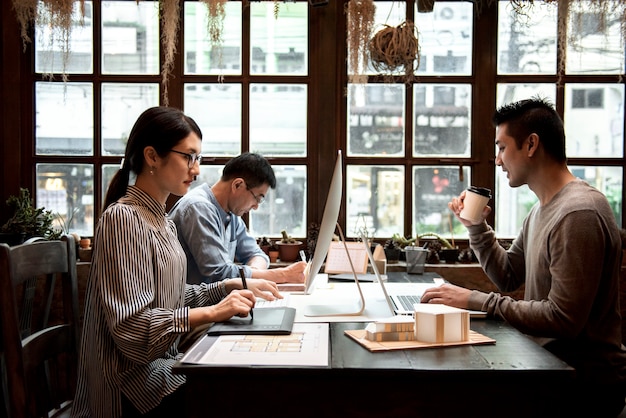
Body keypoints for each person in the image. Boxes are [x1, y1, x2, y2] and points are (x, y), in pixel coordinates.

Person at [421, 97, 626, 417]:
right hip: (551, 369)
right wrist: (477, 227)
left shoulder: (579, 213)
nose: (498, 160)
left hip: (584, 386)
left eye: (502, 147)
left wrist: (474, 299)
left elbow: (564, 319)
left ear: (531, 144)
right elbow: (508, 276)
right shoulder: (542, 209)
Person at [71, 107, 282, 418]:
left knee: (245, 378)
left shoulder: (162, 221)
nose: (196, 170)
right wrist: (212, 310)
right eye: (189, 157)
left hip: (161, 367)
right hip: (128, 388)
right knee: (246, 393)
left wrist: (227, 287)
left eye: (197, 159)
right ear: (152, 156)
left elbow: (169, 297)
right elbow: (132, 332)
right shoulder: (123, 218)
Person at [169, 152, 307, 285]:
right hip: (189, 307)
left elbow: (255, 253)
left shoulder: (231, 215)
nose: (255, 207)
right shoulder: (198, 208)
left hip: (215, 305)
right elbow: (219, 273)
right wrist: (281, 275)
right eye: (257, 198)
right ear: (237, 185)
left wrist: (255, 273)